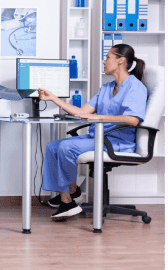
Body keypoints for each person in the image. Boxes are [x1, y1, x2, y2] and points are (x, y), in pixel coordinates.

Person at [39, 43, 147, 221]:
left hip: (116, 142)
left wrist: (100, 117)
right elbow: (82, 112)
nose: (104, 62)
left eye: (108, 58)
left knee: (66, 148)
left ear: (121, 61)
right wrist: (53, 98)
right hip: (98, 138)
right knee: (53, 146)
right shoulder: (106, 88)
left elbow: (133, 119)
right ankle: (71, 193)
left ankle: (68, 201)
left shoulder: (135, 87)